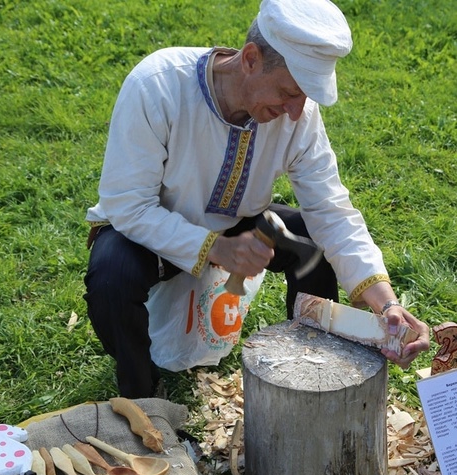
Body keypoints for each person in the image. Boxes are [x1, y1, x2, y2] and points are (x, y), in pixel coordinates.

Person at [84, 0, 430, 398]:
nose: (297, 111)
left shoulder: (298, 114)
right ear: (250, 59)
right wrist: (214, 248)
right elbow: (129, 205)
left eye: (305, 97)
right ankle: (142, 392)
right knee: (111, 274)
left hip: (239, 224)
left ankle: (313, 367)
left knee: (312, 240)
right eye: (288, 92)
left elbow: (331, 212)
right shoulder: (158, 85)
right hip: (151, 230)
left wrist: (386, 306)